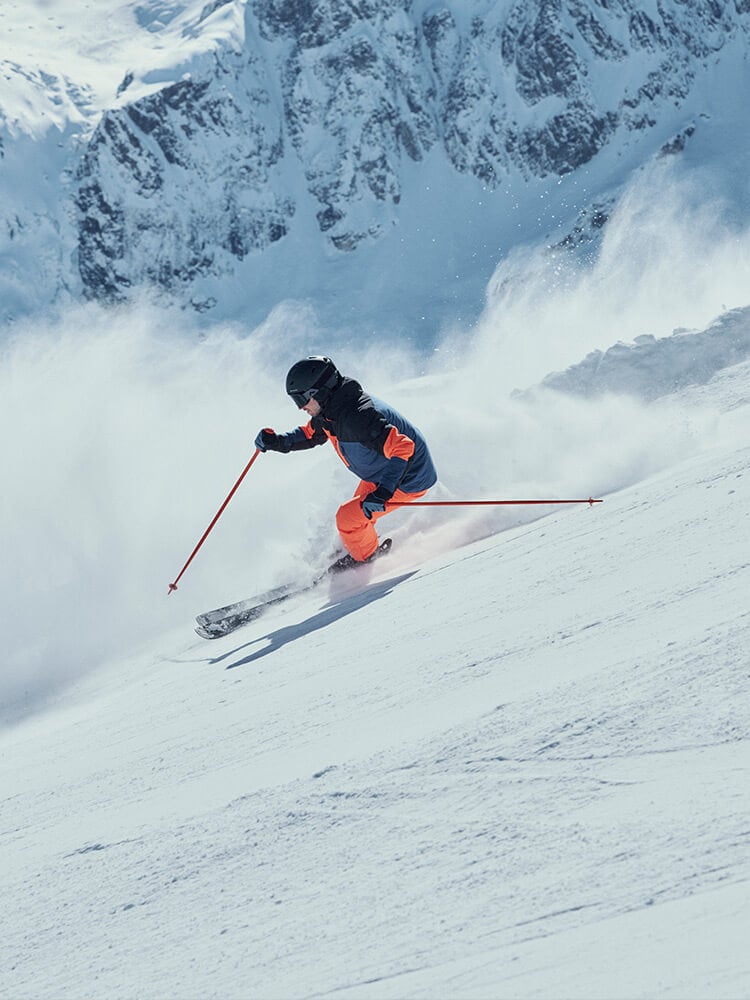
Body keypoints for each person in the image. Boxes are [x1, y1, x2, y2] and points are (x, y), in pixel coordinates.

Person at [255, 356, 437, 566]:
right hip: (381, 472)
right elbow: (310, 434)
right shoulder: (331, 413)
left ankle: (367, 559)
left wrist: (383, 493)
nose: (300, 407)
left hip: (408, 477)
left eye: (301, 400)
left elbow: (404, 447)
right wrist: (277, 442)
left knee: (347, 518)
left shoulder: (358, 418)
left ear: (320, 392)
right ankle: (357, 547)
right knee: (356, 517)